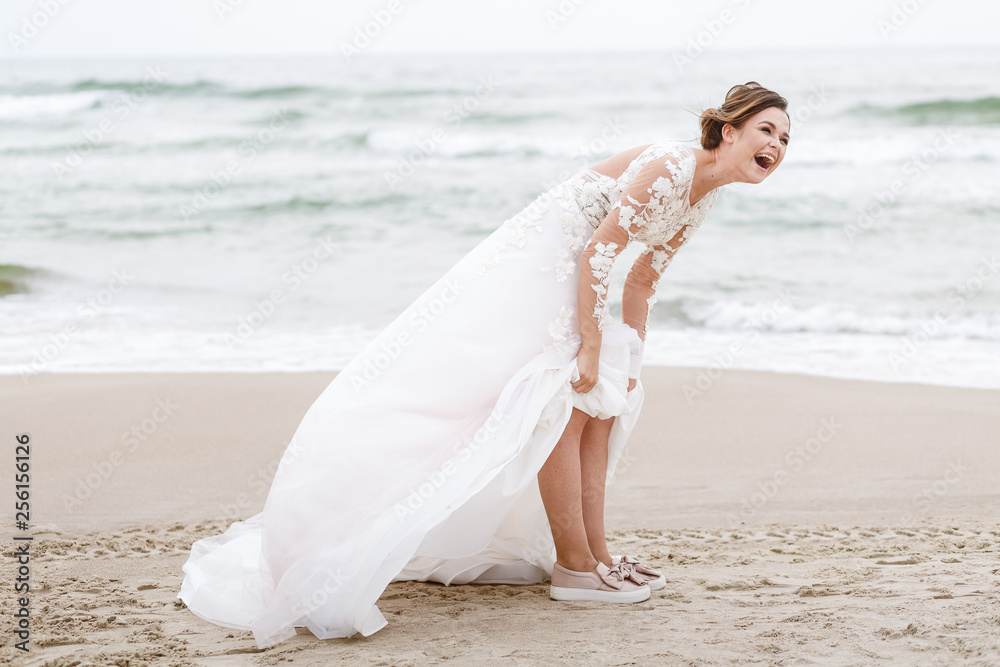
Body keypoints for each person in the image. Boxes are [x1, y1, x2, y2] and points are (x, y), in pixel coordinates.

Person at [178, 81, 790, 648]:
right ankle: (574, 568)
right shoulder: (670, 165)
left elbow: (643, 282)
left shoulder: (704, 194)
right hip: (549, 258)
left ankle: (598, 556)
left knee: (606, 405)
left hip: (585, 268)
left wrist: (630, 357)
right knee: (564, 400)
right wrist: (591, 343)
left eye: (786, 139)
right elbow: (600, 249)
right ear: (728, 131)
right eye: (767, 129)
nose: (777, 145)